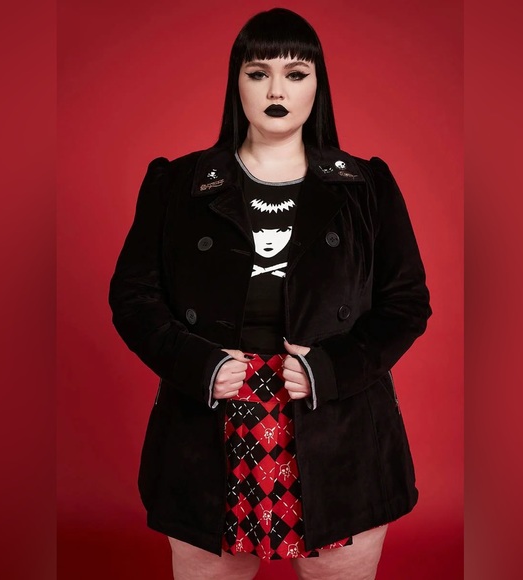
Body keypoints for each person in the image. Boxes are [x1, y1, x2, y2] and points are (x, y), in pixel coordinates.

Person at [109, 7, 431, 580]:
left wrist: (330, 370)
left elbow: (406, 303)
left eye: (295, 73)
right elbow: (134, 298)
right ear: (236, 83)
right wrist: (199, 365)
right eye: (258, 73)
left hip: (339, 432)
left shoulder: (367, 187)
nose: (276, 90)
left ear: (317, 85)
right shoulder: (177, 184)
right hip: (209, 429)